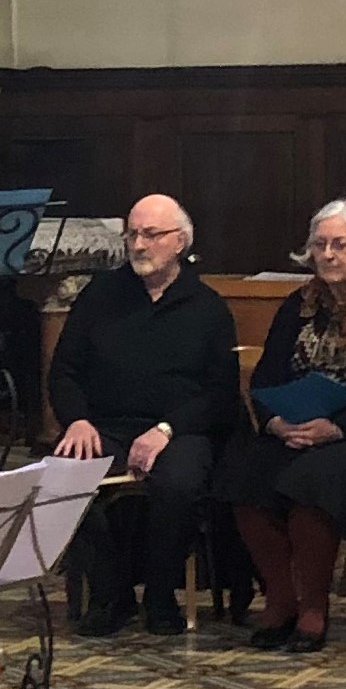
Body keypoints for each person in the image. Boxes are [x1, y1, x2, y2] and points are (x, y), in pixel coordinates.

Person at [216, 199, 346, 653]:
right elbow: (265, 378)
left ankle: (313, 606)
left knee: (313, 480)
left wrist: (337, 427)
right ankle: (280, 598)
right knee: (243, 473)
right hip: (297, 430)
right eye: (319, 245)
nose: (328, 254)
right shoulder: (297, 306)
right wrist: (275, 423)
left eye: (340, 245)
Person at [49, 195, 241, 636]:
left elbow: (220, 393)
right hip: (104, 426)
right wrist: (77, 419)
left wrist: (165, 430)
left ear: (181, 242)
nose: (138, 244)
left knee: (178, 483)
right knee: (62, 476)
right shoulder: (100, 295)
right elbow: (64, 371)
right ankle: (110, 594)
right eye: (132, 234)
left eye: (151, 235)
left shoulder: (207, 306)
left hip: (179, 431)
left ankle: (160, 595)